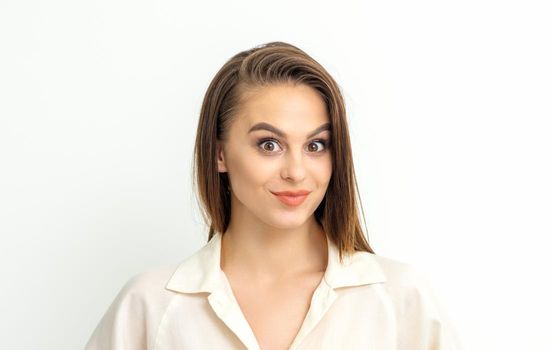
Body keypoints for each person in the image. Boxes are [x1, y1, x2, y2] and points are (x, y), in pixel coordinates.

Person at [85, 41, 462, 350]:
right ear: (219, 154)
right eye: (269, 144)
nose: (296, 171)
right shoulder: (150, 307)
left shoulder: (399, 299)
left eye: (316, 145)